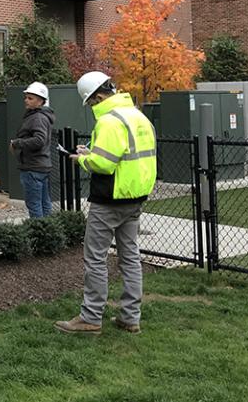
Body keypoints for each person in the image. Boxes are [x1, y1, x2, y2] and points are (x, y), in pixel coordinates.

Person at [55, 71, 156, 335]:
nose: (91, 108)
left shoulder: (109, 122)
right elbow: (124, 156)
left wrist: (83, 160)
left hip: (109, 199)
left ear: (99, 97)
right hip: (134, 199)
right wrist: (93, 153)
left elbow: (105, 164)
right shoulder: (138, 117)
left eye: (90, 103)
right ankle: (130, 317)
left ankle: (90, 317)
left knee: (95, 259)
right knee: (130, 258)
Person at [9, 82, 55, 218]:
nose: (26, 100)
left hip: (33, 168)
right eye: (26, 97)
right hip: (41, 166)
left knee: (34, 205)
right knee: (44, 203)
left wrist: (17, 143)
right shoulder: (42, 116)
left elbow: (39, 140)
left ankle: (38, 235)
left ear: (40, 101)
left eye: (30, 98)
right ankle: (48, 232)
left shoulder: (37, 118)